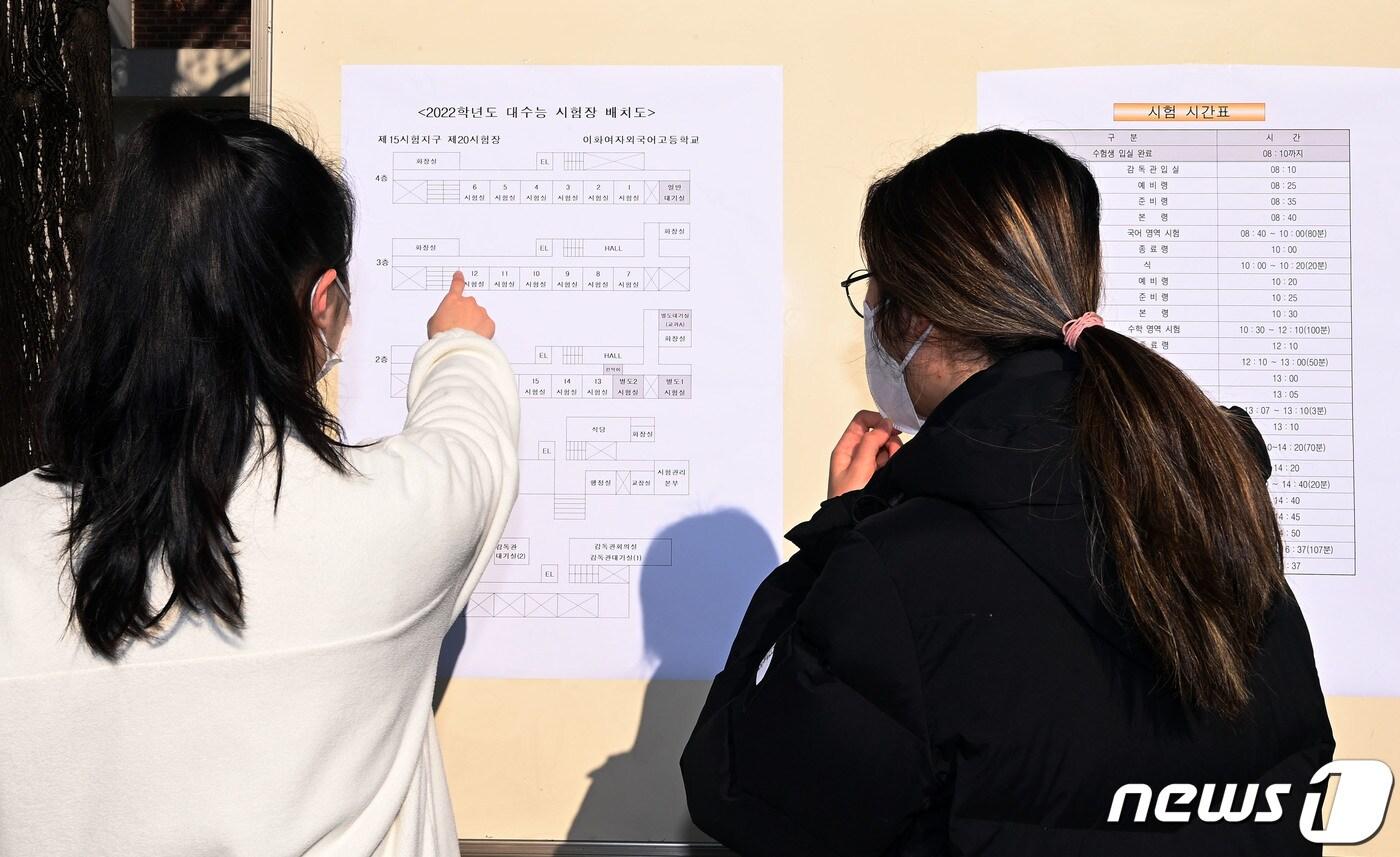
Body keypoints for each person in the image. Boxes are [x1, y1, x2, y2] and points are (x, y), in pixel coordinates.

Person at [680, 129, 1335, 856]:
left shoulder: (899, 570)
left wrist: (838, 535)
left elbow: (743, 789)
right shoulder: (1211, 508)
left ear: (920, 316)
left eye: (878, 294)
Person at [0, 110, 519, 856]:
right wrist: (458, 346)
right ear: (323, 302)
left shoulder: (11, 535)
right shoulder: (382, 520)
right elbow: (476, 443)